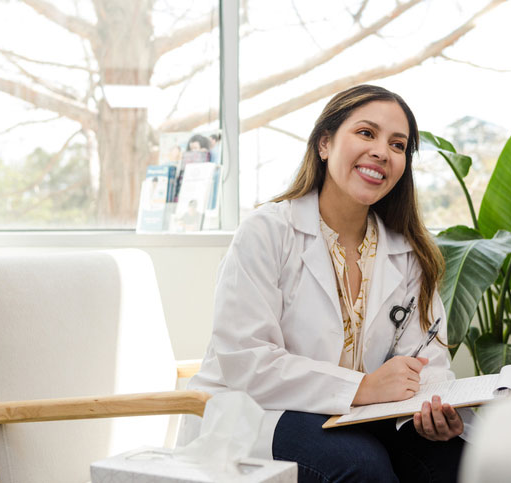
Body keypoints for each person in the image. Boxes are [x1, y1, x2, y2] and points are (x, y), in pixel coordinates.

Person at [185, 85, 467, 482]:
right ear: (324, 143)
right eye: (366, 133)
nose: (382, 152)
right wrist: (362, 387)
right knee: (359, 465)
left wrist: (434, 410)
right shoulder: (267, 232)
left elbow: (427, 363)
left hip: (355, 415)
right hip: (255, 413)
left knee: (452, 460)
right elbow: (247, 363)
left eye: (398, 144)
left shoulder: (408, 253)